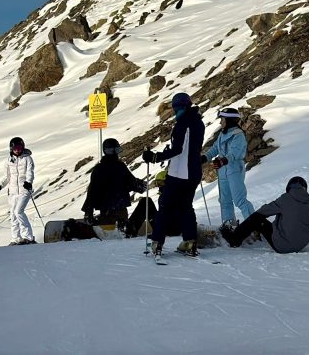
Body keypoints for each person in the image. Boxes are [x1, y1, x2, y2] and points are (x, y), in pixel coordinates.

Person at [142, 92, 205, 256]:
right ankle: (190, 242)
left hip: (179, 173)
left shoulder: (182, 123)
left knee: (165, 206)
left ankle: (157, 242)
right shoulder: (199, 122)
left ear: (178, 107)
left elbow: (178, 150)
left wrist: (155, 157)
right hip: (194, 172)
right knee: (186, 207)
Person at [220, 176, 309, 254]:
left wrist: (251, 220)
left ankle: (234, 239)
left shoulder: (286, 198)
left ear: (289, 187)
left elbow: (264, 211)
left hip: (283, 246)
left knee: (257, 218)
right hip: (301, 245)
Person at [202, 107, 255, 231]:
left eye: (222, 119)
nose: (221, 122)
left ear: (229, 120)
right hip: (223, 170)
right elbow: (215, 149)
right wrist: (204, 158)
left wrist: (223, 160)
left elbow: (235, 152)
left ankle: (254, 226)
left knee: (239, 199)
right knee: (224, 200)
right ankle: (229, 225)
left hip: (234, 168)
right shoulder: (222, 134)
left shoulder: (238, 135)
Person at [81, 138, 146, 230]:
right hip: (119, 208)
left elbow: (92, 192)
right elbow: (132, 183)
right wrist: (142, 185)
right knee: (120, 233)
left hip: (106, 211)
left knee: (110, 235)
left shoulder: (99, 169)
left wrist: (89, 212)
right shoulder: (119, 167)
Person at [0, 137, 36, 245]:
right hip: (12, 192)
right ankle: (16, 238)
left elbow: (30, 172)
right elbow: (7, 177)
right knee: (13, 214)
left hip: (24, 190)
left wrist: (29, 182)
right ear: (11, 148)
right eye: (15, 147)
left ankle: (28, 237)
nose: (17, 150)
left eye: (19, 147)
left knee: (18, 211)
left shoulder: (27, 158)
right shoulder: (9, 160)